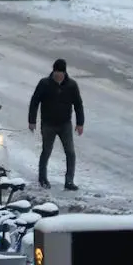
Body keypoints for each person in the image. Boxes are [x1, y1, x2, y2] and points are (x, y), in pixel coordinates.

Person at [28, 59, 85, 191]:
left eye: (61, 73)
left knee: (70, 152)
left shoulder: (71, 85)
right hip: (48, 124)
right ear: (53, 71)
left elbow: (78, 105)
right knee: (46, 151)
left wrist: (80, 123)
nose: (58, 75)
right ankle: (43, 178)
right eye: (56, 72)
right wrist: (32, 120)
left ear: (65, 73)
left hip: (65, 124)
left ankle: (69, 181)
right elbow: (34, 101)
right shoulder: (44, 84)